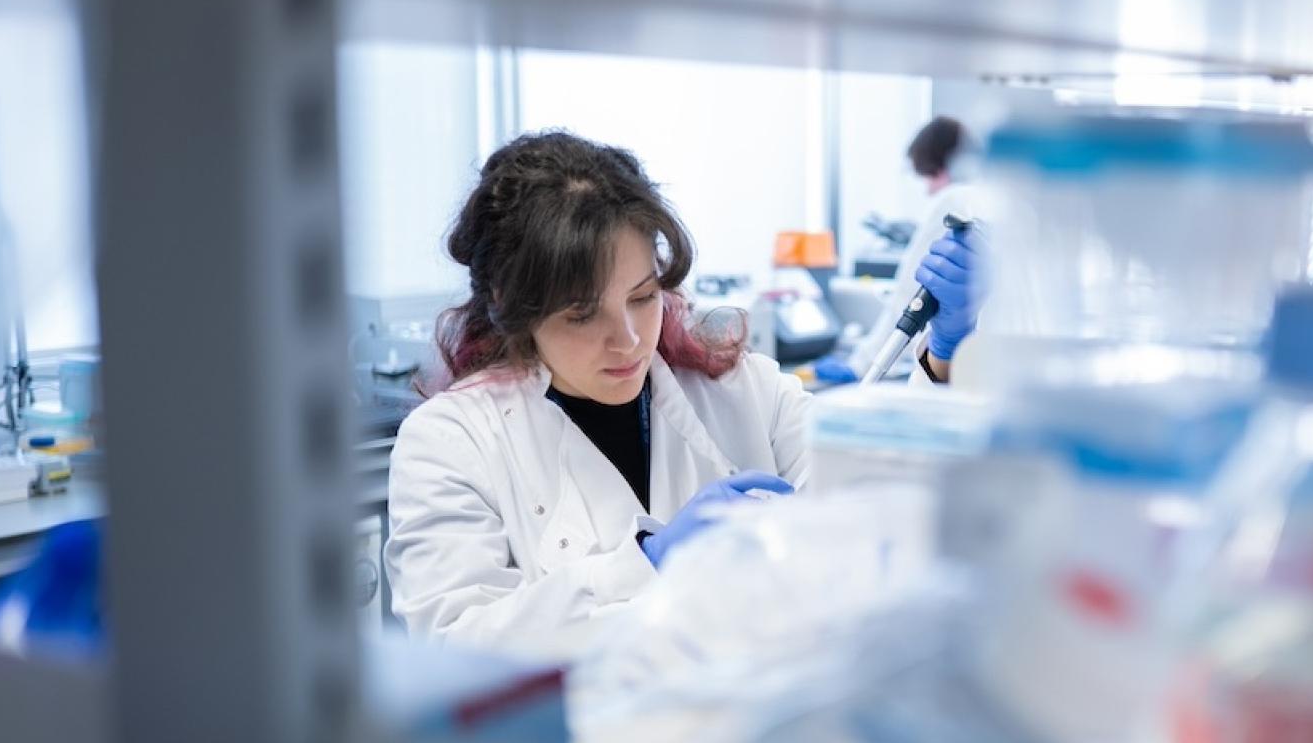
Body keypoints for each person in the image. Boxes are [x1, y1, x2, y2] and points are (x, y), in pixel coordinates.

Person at [384, 131, 984, 657]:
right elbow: (455, 642)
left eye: (643, 298)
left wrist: (943, 355)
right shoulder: (450, 442)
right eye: (580, 315)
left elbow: (884, 502)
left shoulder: (741, 390)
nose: (627, 340)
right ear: (510, 309)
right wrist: (648, 561)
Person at [836, 116, 984, 383]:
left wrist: (860, 364)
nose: (928, 190)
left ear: (939, 167)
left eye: (928, 177)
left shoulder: (953, 199)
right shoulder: (994, 200)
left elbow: (908, 297)